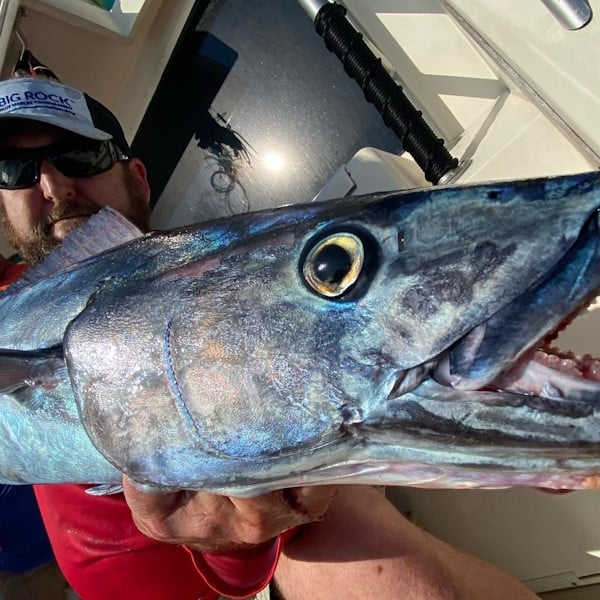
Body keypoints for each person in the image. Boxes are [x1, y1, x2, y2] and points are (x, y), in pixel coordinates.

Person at [0, 75, 539, 600]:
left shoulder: (225, 286)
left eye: (83, 158)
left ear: (138, 177)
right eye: (15, 170)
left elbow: (246, 552)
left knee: (359, 543)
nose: (54, 188)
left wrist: (238, 545)